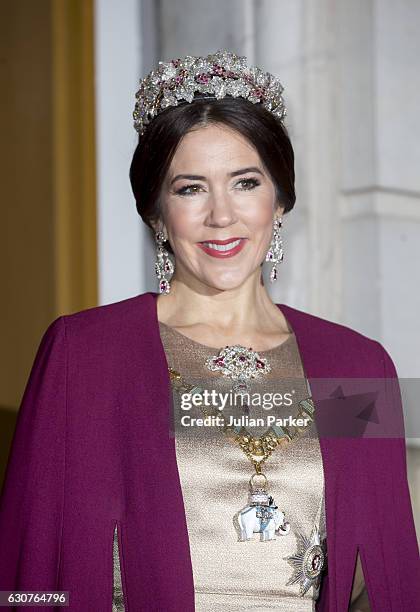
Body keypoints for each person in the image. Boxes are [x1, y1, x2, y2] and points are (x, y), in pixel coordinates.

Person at [0, 49, 419, 612]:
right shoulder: (86, 353)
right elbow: (26, 579)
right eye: (190, 188)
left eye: (245, 182)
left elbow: (384, 576)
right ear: (156, 213)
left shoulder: (357, 365)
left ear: (280, 199)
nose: (222, 215)